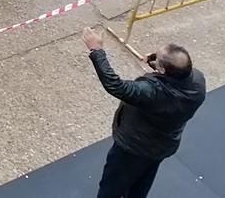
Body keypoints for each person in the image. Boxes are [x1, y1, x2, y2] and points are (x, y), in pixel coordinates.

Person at [82, 28, 206, 198]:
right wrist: (157, 60)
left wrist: (96, 51)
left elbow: (116, 85)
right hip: (162, 146)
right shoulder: (198, 82)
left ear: (162, 70)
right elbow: (174, 68)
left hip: (133, 148)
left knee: (111, 187)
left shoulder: (153, 93)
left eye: (158, 59)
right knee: (141, 183)